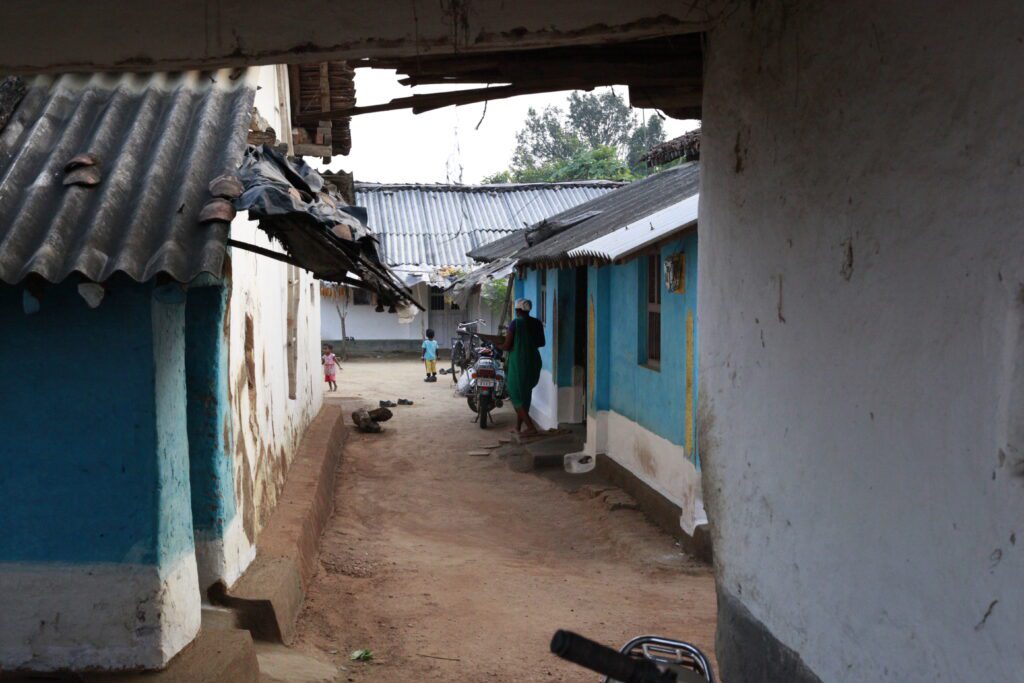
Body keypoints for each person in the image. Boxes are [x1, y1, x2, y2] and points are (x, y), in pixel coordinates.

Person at [500, 298, 545, 436]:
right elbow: (541, 343)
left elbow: (507, 346)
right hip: (533, 363)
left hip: (518, 363)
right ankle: (518, 427)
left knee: (515, 395)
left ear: (518, 310)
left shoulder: (516, 323)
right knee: (525, 395)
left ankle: (531, 427)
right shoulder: (537, 323)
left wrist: (498, 345)